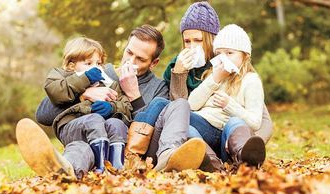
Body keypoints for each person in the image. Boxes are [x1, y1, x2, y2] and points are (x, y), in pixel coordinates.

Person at [28, 25, 205, 175]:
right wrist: (84, 93)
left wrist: (134, 95)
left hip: (129, 154)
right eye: (129, 52)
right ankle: (62, 171)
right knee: (81, 150)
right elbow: (43, 114)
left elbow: (149, 130)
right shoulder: (98, 72)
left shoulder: (158, 88)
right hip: (94, 142)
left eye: (140, 59)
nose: (131, 60)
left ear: (153, 63)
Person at [17, 37, 133, 179]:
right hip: (71, 127)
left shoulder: (108, 84)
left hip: (98, 134)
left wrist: (112, 107)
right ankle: (81, 170)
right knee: (92, 122)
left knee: (107, 131)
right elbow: (55, 91)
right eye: (88, 63)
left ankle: (112, 170)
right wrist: (85, 79)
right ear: (72, 66)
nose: (96, 67)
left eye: (98, 63)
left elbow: (126, 105)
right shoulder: (62, 76)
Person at [188, 24, 266, 167]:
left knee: (235, 122)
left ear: (245, 56)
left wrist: (229, 105)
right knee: (182, 119)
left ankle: (244, 159)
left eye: (229, 53)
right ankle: (211, 164)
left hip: (228, 137)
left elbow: (255, 123)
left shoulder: (251, 80)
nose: (224, 58)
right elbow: (191, 105)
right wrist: (215, 79)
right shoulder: (213, 75)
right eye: (219, 54)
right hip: (206, 132)